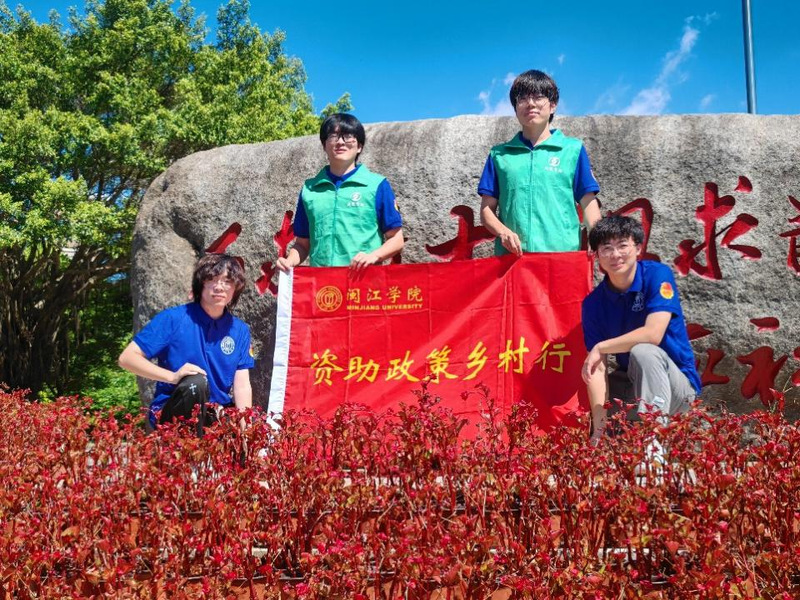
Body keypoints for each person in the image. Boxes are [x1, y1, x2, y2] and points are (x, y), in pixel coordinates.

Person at [581, 215, 702, 443]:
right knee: (587, 386)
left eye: (622, 245)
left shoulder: (657, 275)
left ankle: (653, 445)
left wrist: (601, 346)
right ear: (597, 255)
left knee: (644, 351)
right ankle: (602, 442)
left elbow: (653, 334)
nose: (615, 254)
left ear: (638, 248)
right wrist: (598, 428)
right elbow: (598, 367)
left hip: (676, 389)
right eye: (606, 248)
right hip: (632, 387)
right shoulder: (593, 304)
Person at [119, 253, 254, 428]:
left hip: (215, 415)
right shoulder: (173, 319)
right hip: (173, 413)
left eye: (227, 281)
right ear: (200, 284)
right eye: (212, 279)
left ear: (236, 288)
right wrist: (172, 377)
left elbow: (242, 386)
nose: (219, 287)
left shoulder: (240, 330)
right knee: (195, 382)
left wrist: (246, 433)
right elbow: (127, 358)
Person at [478, 69, 602, 255]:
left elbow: (588, 201)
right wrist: (503, 232)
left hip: (562, 256)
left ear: (553, 105)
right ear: (515, 108)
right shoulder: (499, 155)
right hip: (513, 258)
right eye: (522, 98)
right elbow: (486, 211)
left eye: (538, 97)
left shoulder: (572, 150)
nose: (530, 103)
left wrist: (596, 237)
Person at [276, 113, 404, 273]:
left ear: (359, 146)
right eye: (333, 136)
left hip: (363, 280)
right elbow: (302, 244)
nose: (340, 142)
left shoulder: (376, 185)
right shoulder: (310, 189)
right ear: (324, 145)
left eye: (348, 136)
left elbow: (396, 239)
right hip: (323, 283)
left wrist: (373, 256)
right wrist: (289, 261)